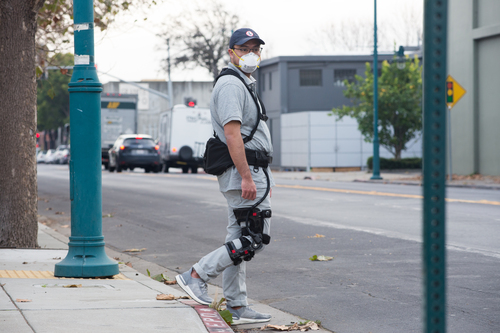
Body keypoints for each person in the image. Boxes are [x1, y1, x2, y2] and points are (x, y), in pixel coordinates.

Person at [175, 28, 275, 325]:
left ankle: (237, 306)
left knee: (240, 239)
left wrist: (261, 179)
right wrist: (247, 176)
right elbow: (232, 134)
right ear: (231, 52)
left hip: (255, 171)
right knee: (253, 237)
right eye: (244, 48)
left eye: (256, 48)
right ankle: (196, 275)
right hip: (245, 171)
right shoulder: (231, 85)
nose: (251, 53)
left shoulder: (243, 84)